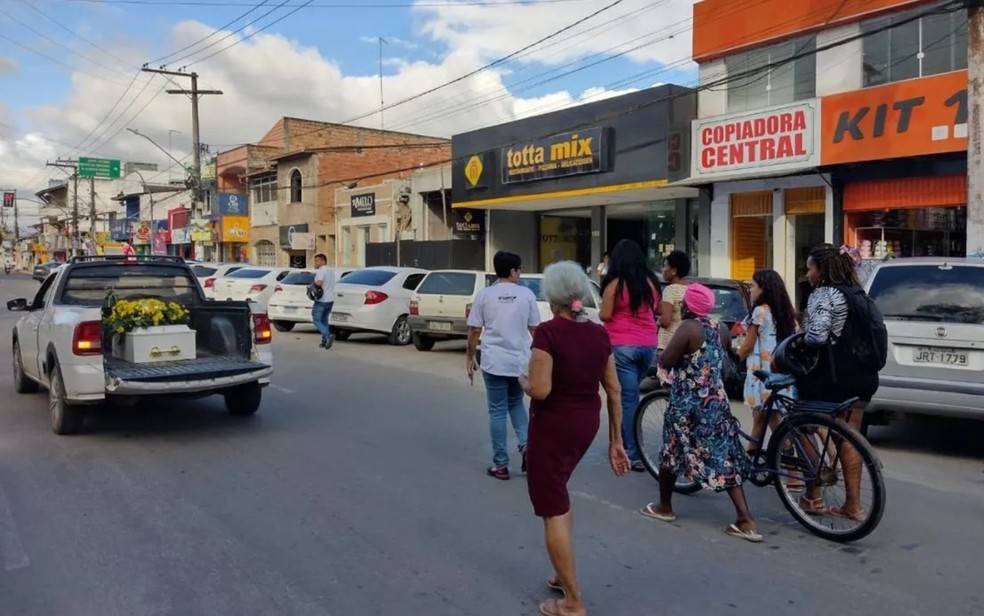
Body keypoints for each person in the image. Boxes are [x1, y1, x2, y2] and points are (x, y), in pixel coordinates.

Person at [520, 261, 630, 616]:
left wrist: (523, 381)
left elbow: (540, 389)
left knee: (551, 506)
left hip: (554, 426)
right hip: (585, 424)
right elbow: (614, 390)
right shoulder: (598, 333)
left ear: (551, 298)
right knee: (560, 494)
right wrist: (616, 441)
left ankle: (573, 601)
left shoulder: (548, 333)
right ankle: (560, 571)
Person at [641, 283, 762, 543]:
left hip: (688, 404)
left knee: (671, 451)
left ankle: (664, 507)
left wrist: (665, 360)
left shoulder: (688, 328)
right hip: (716, 404)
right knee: (722, 456)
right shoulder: (720, 329)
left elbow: (667, 360)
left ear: (687, 305)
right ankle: (744, 519)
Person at [796, 243, 879, 521]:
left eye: (810, 268)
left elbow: (816, 336)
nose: (807, 274)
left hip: (832, 378)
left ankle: (812, 496)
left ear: (822, 269)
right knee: (849, 437)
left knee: (802, 425)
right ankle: (853, 507)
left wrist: (802, 335)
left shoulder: (824, 293)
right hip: (863, 376)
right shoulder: (859, 295)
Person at [466, 251, 541, 480]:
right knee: (516, 403)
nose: (521, 273)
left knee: (497, 410)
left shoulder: (485, 295)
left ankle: (501, 464)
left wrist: (469, 357)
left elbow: (475, 331)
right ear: (512, 271)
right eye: (520, 269)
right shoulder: (526, 295)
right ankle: (527, 447)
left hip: (493, 361)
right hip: (519, 361)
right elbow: (535, 330)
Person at [599, 239, 660, 473]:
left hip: (621, 346)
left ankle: (633, 453)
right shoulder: (650, 283)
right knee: (630, 396)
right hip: (648, 346)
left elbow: (604, 315)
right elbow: (658, 310)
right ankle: (628, 444)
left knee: (628, 399)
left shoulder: (614, 284)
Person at [738, 269, 798, 456]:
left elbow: (747, 346)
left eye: (753, 286)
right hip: (780, 373)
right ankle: (755, 461)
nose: (750, 290)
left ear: (763, 289)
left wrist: (733, 359)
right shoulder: (787, 313)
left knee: (763, 418)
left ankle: (787, 468)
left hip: (762, 375)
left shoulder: (760, 312)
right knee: (767, 418)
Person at [656, 250, 691, 380]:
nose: (662, 269)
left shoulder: (670, 290)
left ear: (674, 270)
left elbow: (666, 320)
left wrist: (658, 321)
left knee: (667, 384)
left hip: (668, 344)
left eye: (665, 266)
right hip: (686, 344)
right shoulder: (691, 289)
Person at [311, 253, 336, 349]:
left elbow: (319, 283)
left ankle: (328, 335)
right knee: (324, 319)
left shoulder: (321, 271)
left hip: (322, 299)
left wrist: (313, 285)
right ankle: (325, 341)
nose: (315, 263)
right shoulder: (330, 270)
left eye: (317, 261)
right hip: (330, 299)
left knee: (316, 319)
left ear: (323, 261)